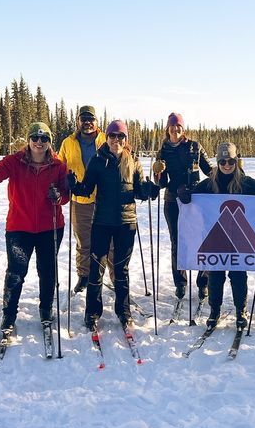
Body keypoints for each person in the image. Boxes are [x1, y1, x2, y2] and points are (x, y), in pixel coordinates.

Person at [0, 122, 70, 340]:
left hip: (50, 227)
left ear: (49, 142)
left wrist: (59, 197)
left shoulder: (59, 165)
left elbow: (66, 194)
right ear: (29, 140)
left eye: (44, 139)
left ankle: (46, 311)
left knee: (47, 271)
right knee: (15, 273)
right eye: (35, 138)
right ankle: (9, 315)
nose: (39, 143)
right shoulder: (15, 161)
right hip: (19, 228)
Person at [178, 142, 255, 330]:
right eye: (222, 162)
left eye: (230, 161)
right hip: (217, 238)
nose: (227, 165)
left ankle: (240, 310)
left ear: (236, 162)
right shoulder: (210, 183)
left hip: (238, 239)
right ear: (218, 163)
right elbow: (193, 195)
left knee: (238, 275)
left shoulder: (245, 182)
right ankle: (214, 310)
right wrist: (185, 194)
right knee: (216, 275)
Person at [69, 120, 159, 329]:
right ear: (107, 137)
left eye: (120, 136)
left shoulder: (133, 161)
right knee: (96, 268)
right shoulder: (97, 160)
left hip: (127, 223)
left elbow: (138, 190)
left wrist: (148, 190)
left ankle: (123, 310)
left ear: (125, 139)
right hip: (101, 222)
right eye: (112, 136)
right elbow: (87, 189)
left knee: (121, 269)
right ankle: (92, 312)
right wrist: (74, 185)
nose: (116, 140)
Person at [152, 112, 213, 301]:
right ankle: (180, 283)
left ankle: (203, 283)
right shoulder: (163, 150)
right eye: (172, 126)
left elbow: (209, 170)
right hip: (172, 201)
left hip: (196, 200)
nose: (175, 129)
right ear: (168, 129)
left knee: (202, 241)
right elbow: (161, 184)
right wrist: (158, 174)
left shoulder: (194, 146)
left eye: (178, 126)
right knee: (177, 243)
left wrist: (225, 177)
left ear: (183, 128)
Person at [58, 105, 106, 294]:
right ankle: (84, 277)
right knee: (83, 242)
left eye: (91, 119)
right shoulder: (68, 143)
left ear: (97, 121)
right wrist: (63, 183)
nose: (87, 122)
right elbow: (59, 166)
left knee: (108, 243)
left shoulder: (106, 139)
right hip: (80, 200)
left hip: (104, 199)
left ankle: (113, 276)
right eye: (83, 118)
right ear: (78, 121)